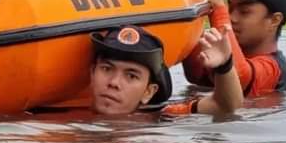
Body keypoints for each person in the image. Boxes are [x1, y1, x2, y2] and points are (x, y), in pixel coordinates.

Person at [182, 0, 286, 98]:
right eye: (229, 8)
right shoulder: (219, 55)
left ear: (274, 20)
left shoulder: (276, 70)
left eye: (244, 12)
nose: (231, 18)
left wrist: (218, 10)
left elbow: (238, 77)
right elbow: (195, 74)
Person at [87, 25, 243, 117]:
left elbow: (225, 106)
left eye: (131, 76)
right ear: (92, 73)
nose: (114, 82)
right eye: (106, 69)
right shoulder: (67, 113)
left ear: (149, 92)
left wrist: (225, 65)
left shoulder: (162, 117)